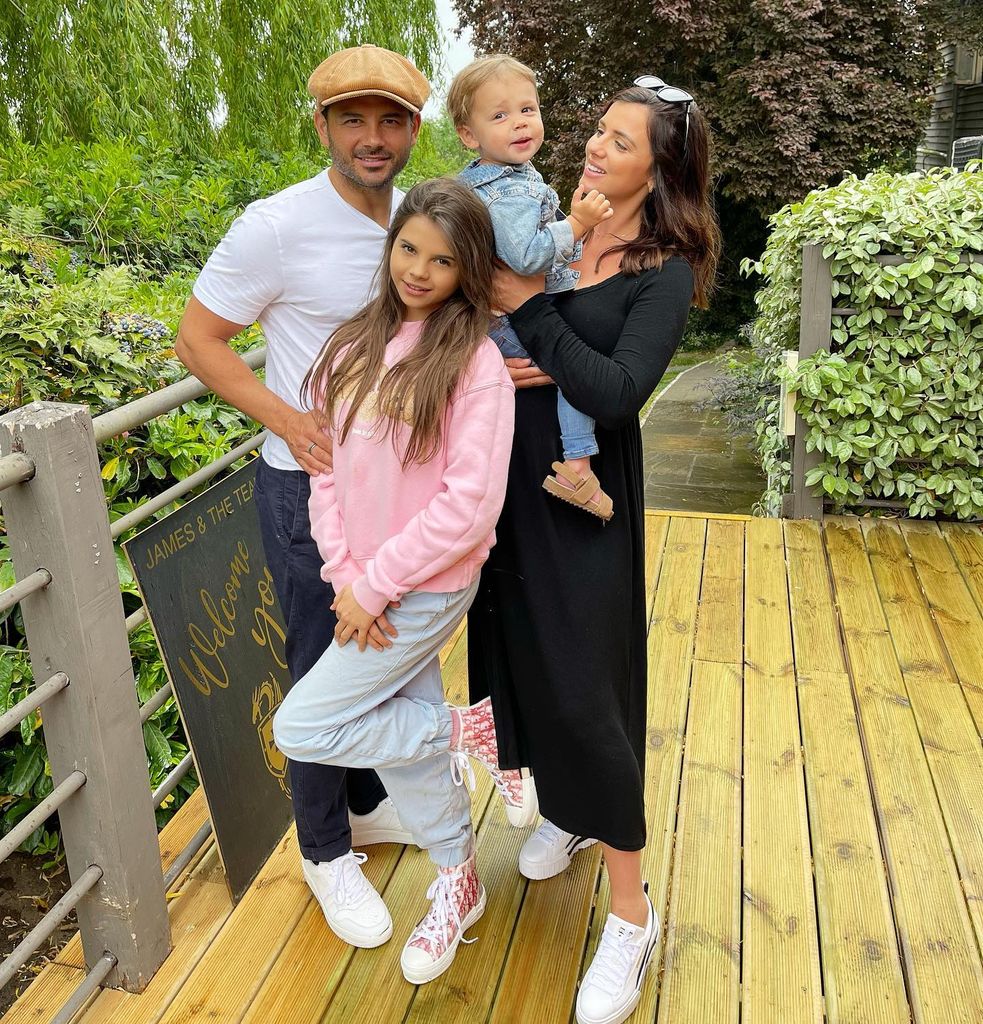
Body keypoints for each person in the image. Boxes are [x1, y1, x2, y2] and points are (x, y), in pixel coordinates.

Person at [465, 77, 721, 1024]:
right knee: (522, 663)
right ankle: (565, 815)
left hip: (583, 496)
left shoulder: (667, 262)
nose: (593, 149)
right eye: (598, 133)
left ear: (660, 165)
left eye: (618, 142)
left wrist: (531, 316)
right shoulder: (545, 214)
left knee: (589, 686)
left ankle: (631, 912)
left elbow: (615, 392)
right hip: (501, 476)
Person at [174, 44, 430, 946]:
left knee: (382, 649)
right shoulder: (275, 226)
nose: (372, 137)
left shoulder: (421, 217)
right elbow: (198, 340)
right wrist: (285, 418)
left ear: (413, 129)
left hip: (399, 494)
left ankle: (360, 806)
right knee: (322, 664)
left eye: (390, 119)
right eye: (352, 119)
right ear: (320, 124)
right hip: (309, 493)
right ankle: (324, 851)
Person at [272, 178, 516, 983]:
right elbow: (327, 474)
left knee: (301, 728)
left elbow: (469, 507)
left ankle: (461, 733)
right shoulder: (349, 347)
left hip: (429, 587)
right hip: (365, 589)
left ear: (465, 270)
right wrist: (347, 578)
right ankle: (459, 878)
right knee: (403, 732)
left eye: (441, 260)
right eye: (408, 247)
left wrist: (375, 587)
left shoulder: (474, 362)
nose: (418, 269)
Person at [448, 55, 616, 521]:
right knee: (573, 368)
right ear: (468, 134)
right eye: (499, 115)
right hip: (506, 317)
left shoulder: (492, 181)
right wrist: (578, 225)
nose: (520, 124)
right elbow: (526, 257)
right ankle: (578, 467)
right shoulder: (510, 191)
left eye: (528, 109)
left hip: (487, 316)